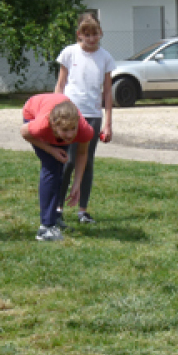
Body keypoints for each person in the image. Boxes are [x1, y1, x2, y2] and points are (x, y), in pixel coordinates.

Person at [54, 13, 115, 225]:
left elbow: (107, 92)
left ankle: (82, 210)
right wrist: (57, 110)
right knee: (68, 160)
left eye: (94, 34)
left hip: (93, 115)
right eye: (86, 34)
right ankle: (58, 207)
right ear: (79, 34)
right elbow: (60, 84)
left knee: (87, 161)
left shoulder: (105, 57)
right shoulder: (69, 53)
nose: (91, 38)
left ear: (100, 34)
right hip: (70, 114)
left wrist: (107, 122)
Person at [20, 93, 94, 241]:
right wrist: (51, 150)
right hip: (33, 111)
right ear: (54, 126)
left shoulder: (84, 129)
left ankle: (53, 219)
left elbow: (82, 154)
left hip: (55, 113)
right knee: (52, 167)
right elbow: (24, 132)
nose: (70, 134)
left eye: (73, 128)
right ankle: (46, 228)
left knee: (59, 169)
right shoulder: (41, 125)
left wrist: (77, 184)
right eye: (65, 130)